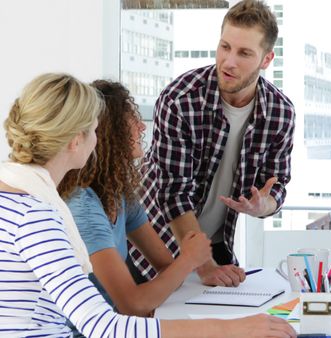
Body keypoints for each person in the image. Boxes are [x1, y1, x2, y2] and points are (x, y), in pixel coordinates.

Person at [0, 72, 295, 337]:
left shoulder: (18, 200)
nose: (96, 139)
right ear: (75, 141)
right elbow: (105, 326)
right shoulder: (37, 217)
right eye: (92, 130)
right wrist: (232, 329)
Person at [131, 0, 295, 287]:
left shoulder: (280, 112)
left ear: (266, 59)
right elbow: (174, 195)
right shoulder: (180, 100)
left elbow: (277, 186)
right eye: (225, 47)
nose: (229, 61)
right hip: (154, 246)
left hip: (214, 245)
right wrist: (203, 266)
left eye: (244, 53)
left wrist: (263, 206)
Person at [57, 80, 210, 317]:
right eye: (132, 120)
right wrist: (189, 259)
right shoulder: (83, 207)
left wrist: (184, 262)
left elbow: (166, 268)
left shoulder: (118, 193)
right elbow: (132, 303)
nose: (142, 127)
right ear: (109, 131)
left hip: (110, 325)